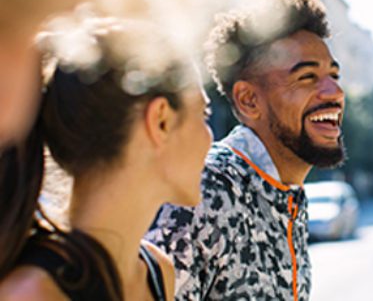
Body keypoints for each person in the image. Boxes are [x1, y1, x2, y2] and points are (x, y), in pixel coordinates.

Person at [147, 0, 346, 301]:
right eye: (307, 77)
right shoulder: (202, 193)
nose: (334, 93)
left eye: (334, 75)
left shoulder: (288, 194)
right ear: (249, 100)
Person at [0, 15, 214, 300]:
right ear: (161, 120)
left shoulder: (159, 271)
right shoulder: (34, 293)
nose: (210, 138)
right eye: (203, 115)